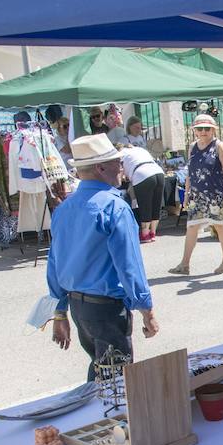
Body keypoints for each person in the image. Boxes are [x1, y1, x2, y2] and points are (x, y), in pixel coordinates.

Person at [47, 133, 158, 379]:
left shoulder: (65, 208)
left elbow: (54, 263)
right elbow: (129, 266)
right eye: (118, 162)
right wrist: (147, 311)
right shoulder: (114, 207)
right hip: (105, 308)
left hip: (79, 306)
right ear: (101, 167)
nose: (122, 167)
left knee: (102, 373)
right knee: (116, 382)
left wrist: (60, 310)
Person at [172, 114, 223, 275]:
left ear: (213, 130)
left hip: (216, 193)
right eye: (200, 129)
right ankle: (184, 264)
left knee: (220, 226)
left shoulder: (218, 145)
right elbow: (190, 172)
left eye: (207, 128)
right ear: (195, 131)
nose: (203, 131)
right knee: (191, 226)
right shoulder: (192, 147)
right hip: (197, 195)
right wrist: (186, 194)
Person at [118, 141, 166, 243]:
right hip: (158, 171)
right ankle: (153, 232)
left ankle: (145, 234)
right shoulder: (140, 150)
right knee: (156, 205)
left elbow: (120, 171)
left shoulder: (122, 153)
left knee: (145, 205)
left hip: (141, 174)